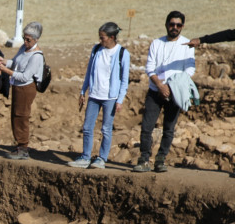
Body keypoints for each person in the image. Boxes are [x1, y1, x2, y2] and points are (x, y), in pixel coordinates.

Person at [135, 11, 196, 173]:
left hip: (175, 92)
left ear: (182, 26)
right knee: (147, 127)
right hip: (155, 90)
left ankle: (161, 160)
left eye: (178, 25)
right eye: (172, 24)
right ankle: (144, 159)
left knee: (169, 128)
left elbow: (189, 69)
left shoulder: (187, 44)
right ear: (166, 24)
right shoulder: (157, 43)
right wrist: (160, 85)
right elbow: (149, 67)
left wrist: (171, 86)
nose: (174, 27)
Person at [67, 22, 130, 169]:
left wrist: (120, 100)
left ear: (112, 37)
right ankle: (85, 157)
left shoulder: (122, 53)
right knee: (88, 127)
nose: (100, 40)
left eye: (103, 38)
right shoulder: (96, 49)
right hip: (94, 95)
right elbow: (89, 72)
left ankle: (102, 158)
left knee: (106, 129)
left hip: (110, 98)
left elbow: (124, 80)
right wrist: (83, 91)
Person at [0, 21, 44, 160]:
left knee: (22, 116)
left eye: (28, 40)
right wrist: (4, 61)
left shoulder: (36, 56)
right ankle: (19, 145)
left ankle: (23, 148)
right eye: (24, 38)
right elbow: (15, 63)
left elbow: (25, 76)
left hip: (26, 88)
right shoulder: (23, 48)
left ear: (36, 39)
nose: (25, 41)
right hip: (17, 86)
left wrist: (6, 71)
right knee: (15, 115)